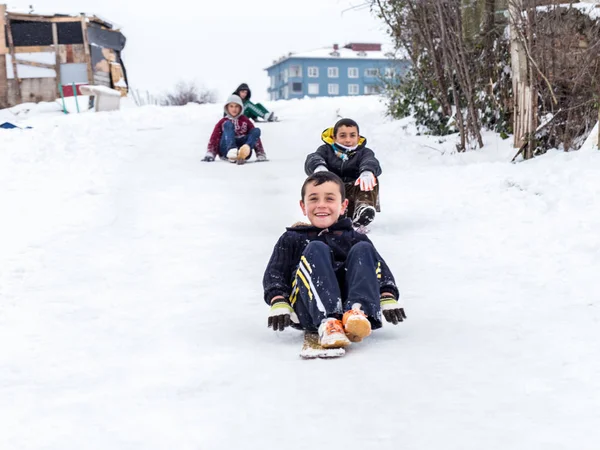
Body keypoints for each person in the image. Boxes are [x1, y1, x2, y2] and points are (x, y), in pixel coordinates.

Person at [262, 171, 405, 349]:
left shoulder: (355, 238)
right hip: (307, 308)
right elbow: (275, 273)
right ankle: (329, 321)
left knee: (363, 249)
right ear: (303, 206)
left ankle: (357, 313)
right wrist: (278, 301)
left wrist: (387, 296)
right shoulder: (292, 238)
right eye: (313, 199)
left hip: (351, 309)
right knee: (316, 248)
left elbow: (378, 269)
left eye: (329, 199)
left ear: (344, 205)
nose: (321, 205)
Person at [304, 118, 381, 230]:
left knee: (369, 179)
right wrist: (319, 167)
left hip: (355, 195)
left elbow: (370, 161)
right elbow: (313, 158)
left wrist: (367, 170)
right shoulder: (326, 150)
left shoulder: (364, 152)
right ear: (334, 137)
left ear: (358, 137)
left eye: (352, 135)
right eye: (343, 135)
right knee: (319, 183)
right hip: (335, 195)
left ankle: (363, 210)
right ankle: (333, 216)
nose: (348, 140)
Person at [203, 94, 268, 163]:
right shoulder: (223, 121)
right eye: (231, 106)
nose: (234, 109)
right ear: (227, 108)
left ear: (240, 108)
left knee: (256, 131)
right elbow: (215, 137)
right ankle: (232, 152)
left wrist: (260, 152)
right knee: (228, 124)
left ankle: (245, 150)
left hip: (242, 149)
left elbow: (254, 137)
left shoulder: (245, 120)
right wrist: (210, 153)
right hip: (226, 150)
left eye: (237, 106)